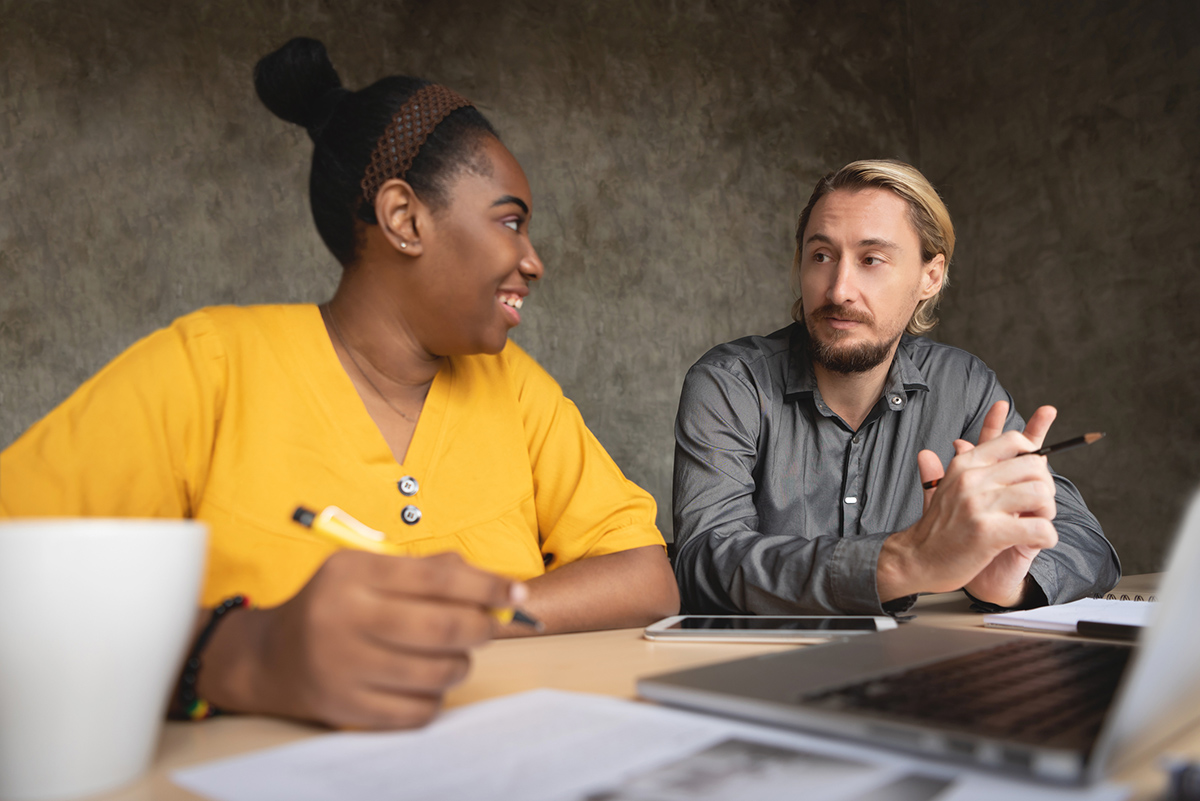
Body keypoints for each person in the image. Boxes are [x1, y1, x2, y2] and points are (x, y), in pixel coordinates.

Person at [0, 38, 678, 729]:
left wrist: (460, 622)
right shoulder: (208, 366)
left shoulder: (515, 386)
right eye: (510, 221)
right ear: (404, 218)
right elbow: (14, 580)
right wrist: (244, 652)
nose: (532, 261)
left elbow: (644, 578)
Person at [672, 159, 1119, 617]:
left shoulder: (963, 386)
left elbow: (1087, 546)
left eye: (872, 260)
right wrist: (907, 561)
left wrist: (1008, 584)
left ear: (930, 277)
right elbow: (705, 562)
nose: (839, 289)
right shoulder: (730, 383)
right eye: (821, 256)